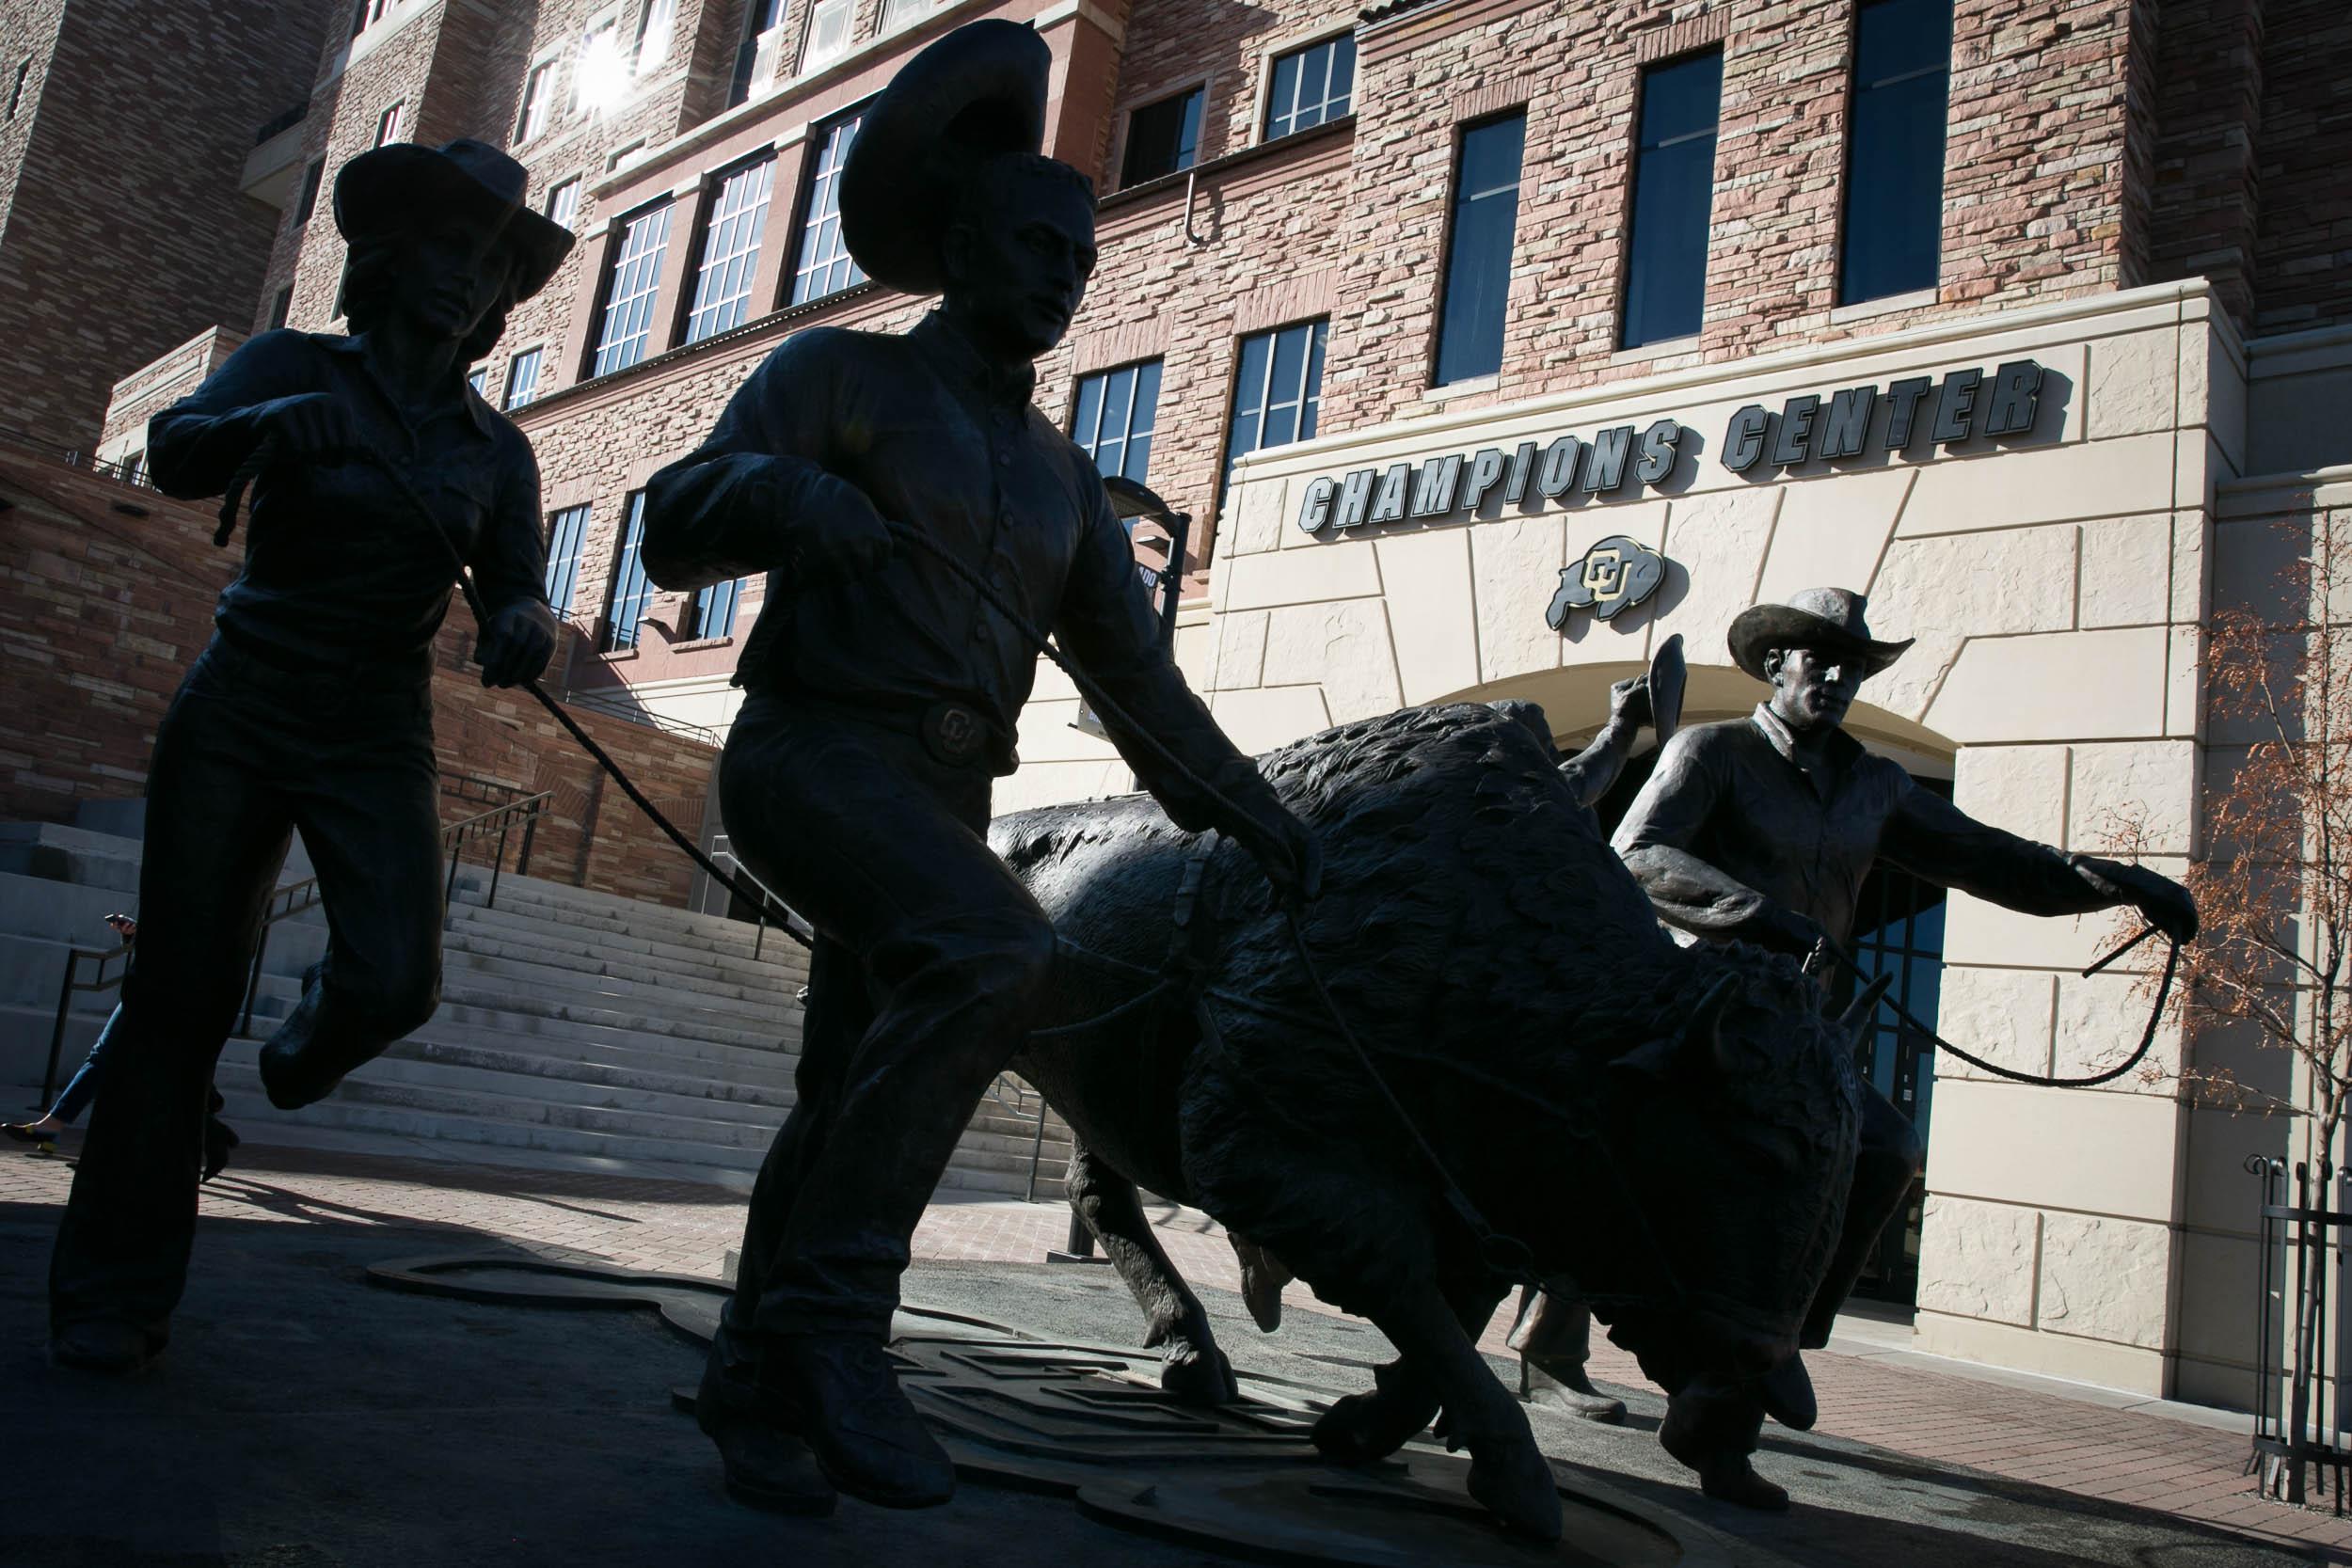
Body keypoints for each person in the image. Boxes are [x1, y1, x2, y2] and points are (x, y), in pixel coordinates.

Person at [642, 20, 1319, 1519]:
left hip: (944, 788)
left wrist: (1268, 819)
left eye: (1076, 263)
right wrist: (788, 497)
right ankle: (834, 1326)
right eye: (1030, 245)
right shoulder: (840, 375)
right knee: (999, 942)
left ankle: (754, 1385)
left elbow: (1145, 691)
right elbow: (673, 522)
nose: (1058, 279)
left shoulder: (1065, 477)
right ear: (956, 244)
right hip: (814, 751)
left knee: (838, 1097)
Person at [44, 138, 568, 1374]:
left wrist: (518, 622)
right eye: (445, 252)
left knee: (396, 974)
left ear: (500, 304)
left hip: (375, 722)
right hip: (241, 703)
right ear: (391, 261)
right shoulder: (295, 364)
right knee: (177, 999)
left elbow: (519, 592)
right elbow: (175, 453)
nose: (462, 282)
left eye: (488, 268)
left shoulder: (500, 455)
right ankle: (112, 1288)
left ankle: (289, 1058)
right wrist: (276, 424)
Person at [1610, 587, 2199, 1508]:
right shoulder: (1711, 751)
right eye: (1820, 660)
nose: (1837, 679)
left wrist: (2118, 881)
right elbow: (1638, 852)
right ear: (1776, 666)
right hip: (1709, 1006)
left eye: (1852, 666)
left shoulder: (1874, 786)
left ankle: (1753, 1364)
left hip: (1801, 1029)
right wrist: (1765, 918)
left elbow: (1998, 860)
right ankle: (1717, 1386)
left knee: (1884, 1149)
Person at [4, 916, 240, 1180]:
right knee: (122, 1066)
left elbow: (184, 940)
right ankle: (209, 1133)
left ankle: (68, 1134)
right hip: (157, 983)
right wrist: (136, 935)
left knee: (110, 1061)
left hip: (161, 987)